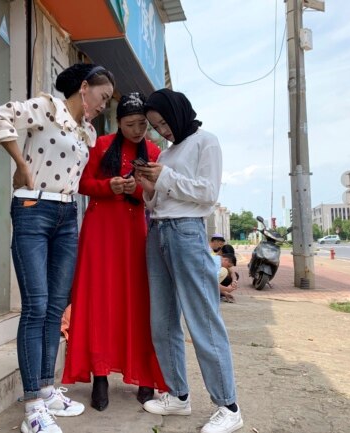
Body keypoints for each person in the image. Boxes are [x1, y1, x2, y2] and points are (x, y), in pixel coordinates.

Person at [0, 63, 115, 433]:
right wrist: (21, 163)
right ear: (85, 88)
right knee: (36, 305)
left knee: (56, 307)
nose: (104, 105)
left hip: (67, 214)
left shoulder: (86, 132)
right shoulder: (45, 109)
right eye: (103, 97)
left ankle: (45, 387)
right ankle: (32, 407)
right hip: (32, 209)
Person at [134, 88, 244, 433]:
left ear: (179, 112)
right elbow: (158, 203)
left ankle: (228, 406)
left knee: (202, 319)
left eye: (164, 122)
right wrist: (147, 186)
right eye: (156, 126)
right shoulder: (167, 153)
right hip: (159, 232)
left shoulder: (204, 141)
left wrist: (163, 178)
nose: (162, 130)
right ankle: (177, 394)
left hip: (186, 232)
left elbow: (207, 193)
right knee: (162, 320)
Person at [61, 93, 166, 412]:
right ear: (118, 123)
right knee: (99, 301)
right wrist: (110, 187)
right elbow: (81, 183)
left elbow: (158, 193)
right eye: (131, 124)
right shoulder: (101, 144)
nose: (138, 130)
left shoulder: (153, 150)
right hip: (99, 232)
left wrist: (138, 188)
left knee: (137, 301)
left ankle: (145, 376)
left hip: (135, 232)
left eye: (143, 125)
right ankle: (100, 376)